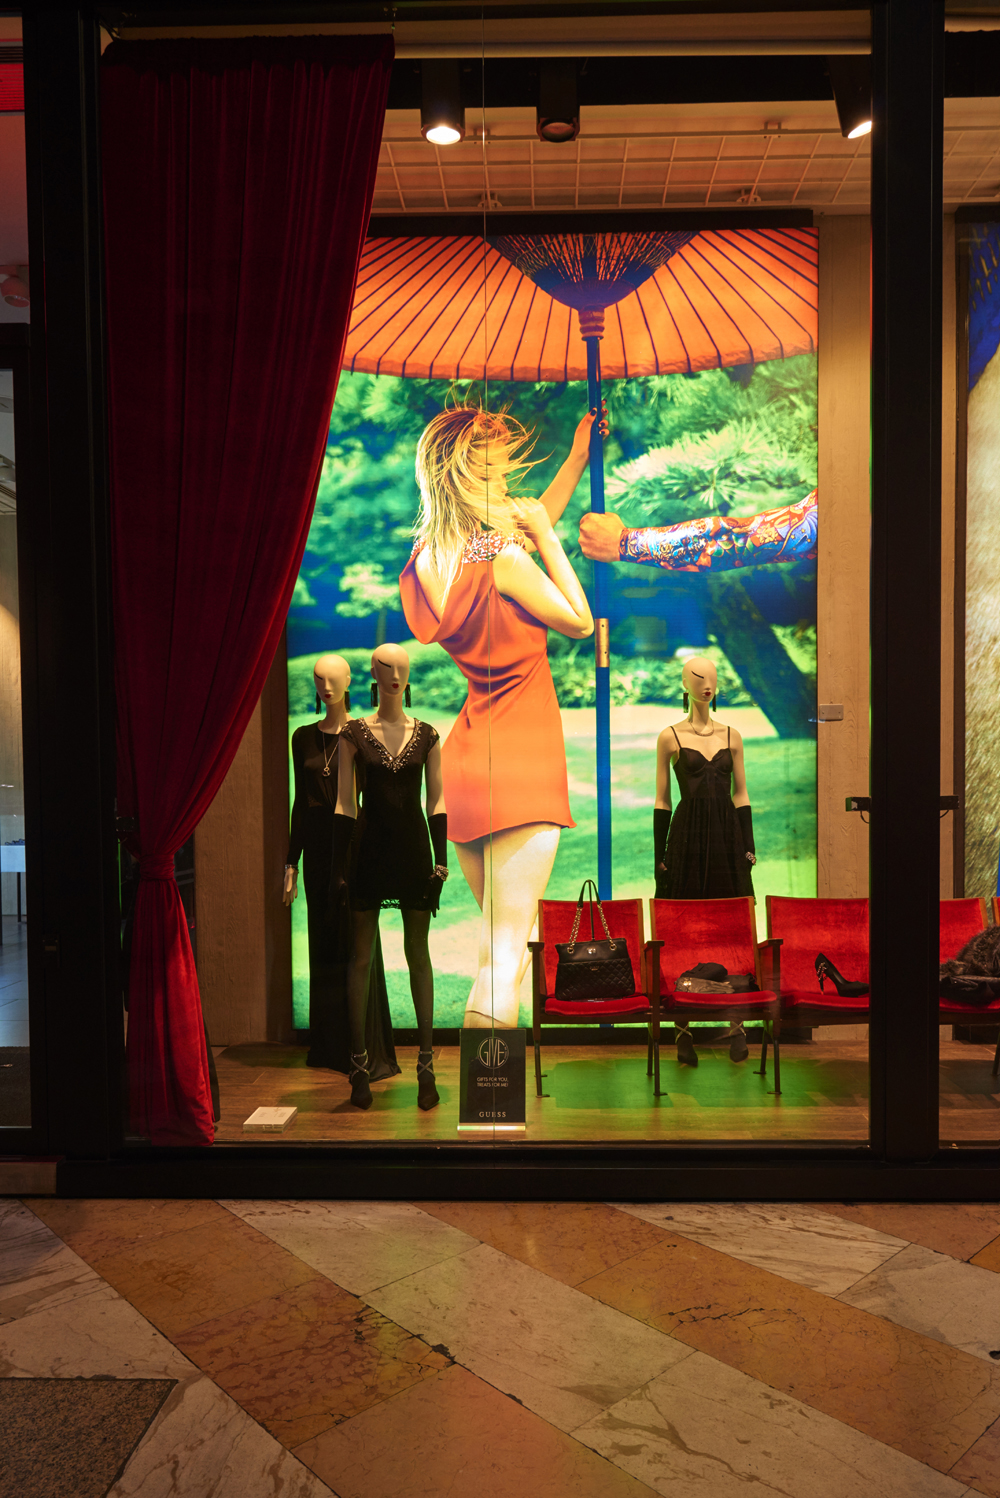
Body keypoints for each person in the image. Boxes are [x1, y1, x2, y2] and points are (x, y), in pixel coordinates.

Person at [399, 399, 605, 1030]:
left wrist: (577, 459)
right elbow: (577, 620)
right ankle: (490, 1091)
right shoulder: (507, 559)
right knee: (505, 954)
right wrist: (548, 537)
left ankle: (486, 1087)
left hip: (468, 759)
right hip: (523, 755)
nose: (504, 485)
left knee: (501, 947)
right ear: (461, 478)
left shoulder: (430, 559)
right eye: (489, 474)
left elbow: (520, 532)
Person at [334, 644, 447, 1110]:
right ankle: (359, 1065)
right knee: (361, 957)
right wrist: (339, 867)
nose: (395, 673)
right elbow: (345, 804)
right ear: (374, 675)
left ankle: (426, 1063)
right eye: (386, 666)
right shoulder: (353, 734)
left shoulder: (428, 735)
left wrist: (441, 861)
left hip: (414, 852)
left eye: (402, 667)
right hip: (368, 852)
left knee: (418, 954)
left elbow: (436, 801)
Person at [284, 652, 398, 1080]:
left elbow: (378, 800)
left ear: (350, 680)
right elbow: (301, 802)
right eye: (319, 679)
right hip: (317, 854)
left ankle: (364, 1046)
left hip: (354, 847)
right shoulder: (302, 738)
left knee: (358, 946)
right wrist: (291, 862)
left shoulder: (363, 734)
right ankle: (330, 1046)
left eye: (334, 678)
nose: (326, 686)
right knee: (324, 943)